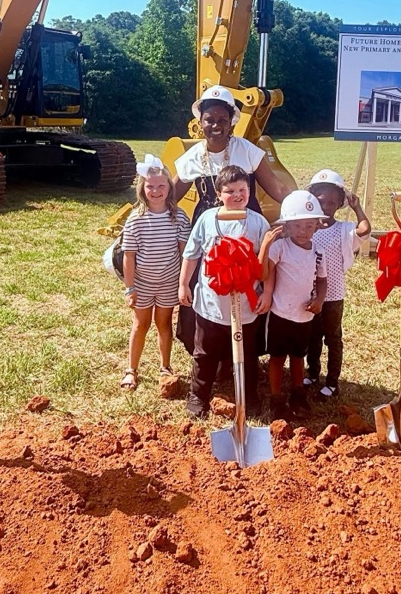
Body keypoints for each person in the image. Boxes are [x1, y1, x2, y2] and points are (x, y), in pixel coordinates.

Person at [173, 85, 292, 354]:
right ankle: (208, 349)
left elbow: (276, 188)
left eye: (222, 120)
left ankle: (243, 351)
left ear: (232, 121)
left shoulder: (248, 151)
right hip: (209, 233)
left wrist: (304, 208)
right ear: (199, 122)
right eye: (209, 120)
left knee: (250, 282)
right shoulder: (192, 157)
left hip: (246, 231)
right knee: (207, 286)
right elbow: (171, 196)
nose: (216, 125)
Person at [178, 165, 271, 418]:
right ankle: (199, 395)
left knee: (247, 355)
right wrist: (183, 283)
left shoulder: (257, 223)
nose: (238, 195)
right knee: (204, 353)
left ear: (250, 191)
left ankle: (248, 396)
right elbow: (191, 253)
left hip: (246, 305)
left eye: (243, 189)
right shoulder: (207, 220)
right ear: (219, 193)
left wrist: (267, 292)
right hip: (210, 304)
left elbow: (267, 263)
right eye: (230, 191)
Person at [120, 155, 191, 391]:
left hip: (169, 283)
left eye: (161, 185)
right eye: (150, 186)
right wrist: (130, 288)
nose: (156, 191)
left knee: (164, 323)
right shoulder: (136, 220)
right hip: (142, 283)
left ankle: (165, 367)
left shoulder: (179, 217)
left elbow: (185, 254)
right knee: (140, 324)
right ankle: (131, 369)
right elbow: (128, 256)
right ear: (143, 188)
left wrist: (183, 284)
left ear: (170, 187)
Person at [260, 190, 328, 420]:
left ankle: (298, 396)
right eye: (297, 226)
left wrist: (319, 300)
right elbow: (262, 273)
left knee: (299, 358)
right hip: (280, 314)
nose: (303, 232)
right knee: (277, 358)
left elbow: (321, 280)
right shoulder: (280, 248)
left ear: (317, 226)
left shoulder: (318, 252)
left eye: (309, 226)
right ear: (287, 226)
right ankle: (276, 399)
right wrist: (265, 246)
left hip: (304, 317)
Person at [304, 169, 371, 397]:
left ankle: (332, 381)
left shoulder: (343, 230)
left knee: (332, 338)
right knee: (311, 337)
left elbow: (365, 230)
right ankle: (312, 373)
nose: (327, 206)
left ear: (340, 203)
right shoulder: (307, 228)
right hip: (310, 293)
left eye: (333, 202)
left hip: (333, 295)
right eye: (322, 201)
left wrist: (357, 207)